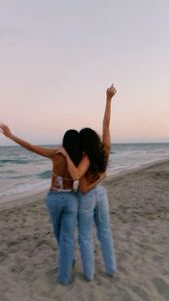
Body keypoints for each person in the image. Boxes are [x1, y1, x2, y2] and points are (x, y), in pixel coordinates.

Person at [0, 124, 82, 285]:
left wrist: (11, 136)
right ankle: (69, 262)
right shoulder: (79, 159)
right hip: (71, 199)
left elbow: (31, 147)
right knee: (67, 237)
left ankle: (64, 276)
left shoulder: (56, 154)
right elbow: (79, 176)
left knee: (60, 235)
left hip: (55, 198)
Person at [58, 84, 117, 281]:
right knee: (105, 233)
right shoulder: (105, 149)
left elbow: (80, 183)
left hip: (88, 197)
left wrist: (66, 156)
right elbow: (106, 124)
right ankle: (110, 269)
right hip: (102, 194)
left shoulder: (85, 158)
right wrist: (108, 100)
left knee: (84, 236)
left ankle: (90, 274)